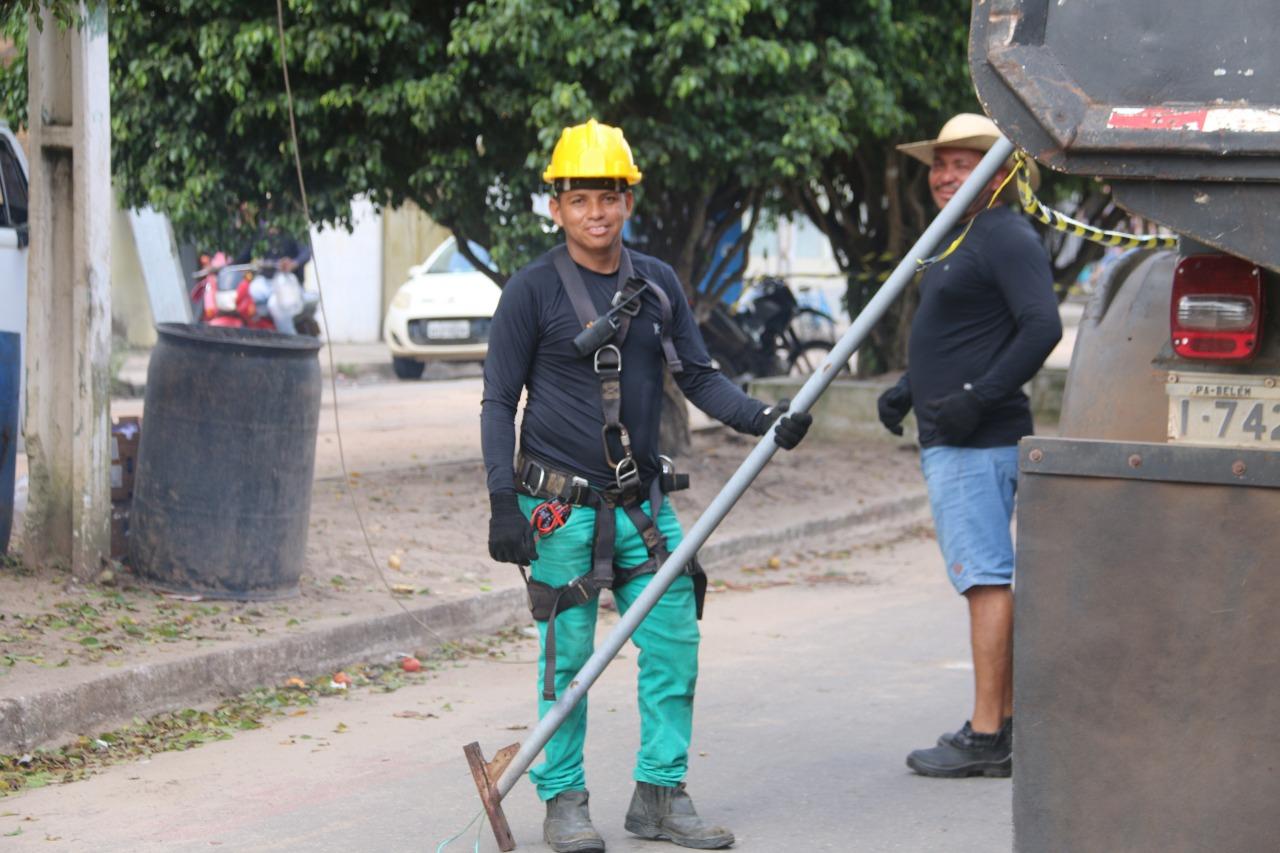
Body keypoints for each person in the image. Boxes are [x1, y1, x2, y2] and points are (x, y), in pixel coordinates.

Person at [481, 118, 812, 852]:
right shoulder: (531, 291)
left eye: (610, 196)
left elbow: (696, 375)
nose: (596, 212)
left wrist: (764, 417)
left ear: (630, 201)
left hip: (641, 506)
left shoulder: (656, 282)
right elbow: (498, 400)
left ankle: (659, 793)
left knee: (673, 642)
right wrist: (503, 501)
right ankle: (564, 800)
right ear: (557, 206)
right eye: (582, 198)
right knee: (567, 660)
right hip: (557, 512)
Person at [878, 113, 1062, 778]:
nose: (948, 175)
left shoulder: (1003, 232)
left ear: (1002, 172)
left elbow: (1041, 327)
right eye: (942, 163)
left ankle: (987, 736)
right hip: (962, 435)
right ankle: (1002, 725)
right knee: (986, 578)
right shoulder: (965, 237)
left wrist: (978, 398)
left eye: (966, 163)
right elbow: (966, 333)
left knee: (984, 579)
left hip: (975, 440)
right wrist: (907, 387)